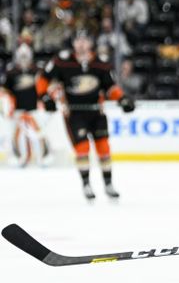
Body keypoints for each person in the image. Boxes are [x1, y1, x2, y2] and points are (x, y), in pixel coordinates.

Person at [36, 30, 135, 200]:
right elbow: (42, 80)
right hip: (74, 113)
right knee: (82, 149)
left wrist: (122, 99)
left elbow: (110, 87)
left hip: (96, 111)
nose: (81, 44)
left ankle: (108, 183)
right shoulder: (63, 61)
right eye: (78, 40)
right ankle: (86, 184)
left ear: (90, 43)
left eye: (85, 40)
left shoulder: (101, 63)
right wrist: (45, 97)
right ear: (73, 43)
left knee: (104, 148)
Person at [0, 43, 51, 166]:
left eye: (26, 56)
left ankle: (42, 157)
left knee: (38, 134)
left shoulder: (38, 70)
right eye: (21, 56)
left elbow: (44, 87)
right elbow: (4, 90)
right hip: (17, 110)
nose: (23, 59)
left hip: (34, 109)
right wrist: (7, 105)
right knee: (17, 136)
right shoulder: (11, 72)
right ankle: (21, 157)